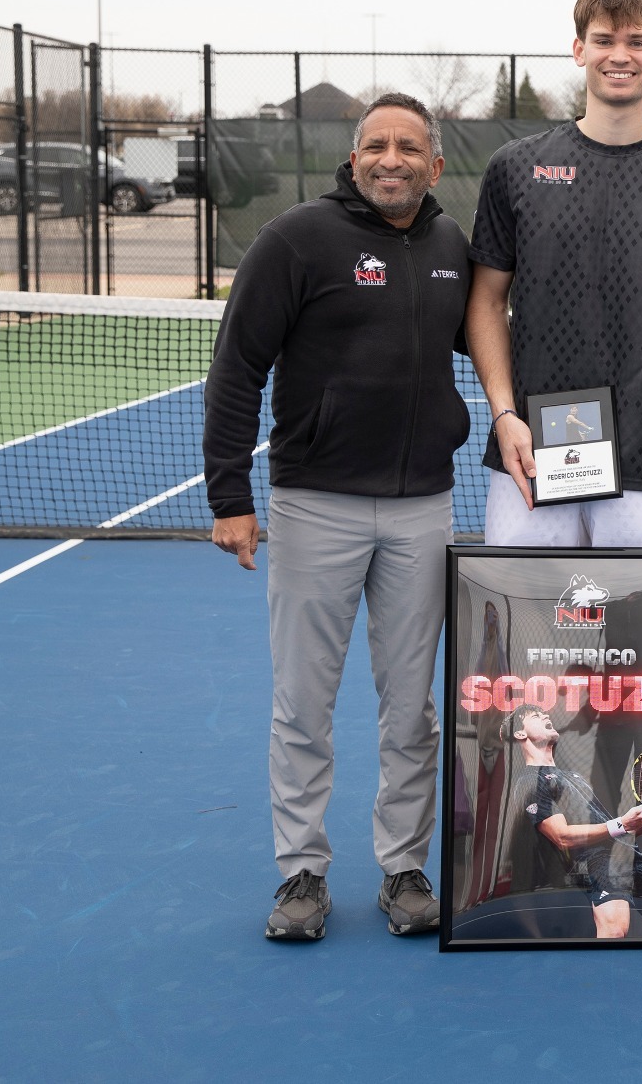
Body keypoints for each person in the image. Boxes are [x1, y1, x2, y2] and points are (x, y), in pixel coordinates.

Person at [203, 92, 472, 941]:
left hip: (424, 507)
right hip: (314, 505)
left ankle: (404, 866)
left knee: (411, 709)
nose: (391, 159)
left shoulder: (450, 247)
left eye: (409, 148)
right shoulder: (297, 239)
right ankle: (302, 874)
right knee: (303, 705)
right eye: (376, 146)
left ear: (434, 166)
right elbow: (237, 368)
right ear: (354, 159)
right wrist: (229, 498)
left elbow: (498, 343)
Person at [467, 0, 642, 550]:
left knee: (636, 639)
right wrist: (504, 415)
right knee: (524, 633)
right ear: (579, 49)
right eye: (604, 38)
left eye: (637, 41)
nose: (620, 55)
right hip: (530, 457)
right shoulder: (516, 168)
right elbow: (486, 301)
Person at [504, 704, 642, 940]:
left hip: (628, 857)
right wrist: (623, 824)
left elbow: (607, 829)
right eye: (535, 716)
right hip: (598, 863)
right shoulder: (530, 781)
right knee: (614, 933)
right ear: (520, 734)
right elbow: (561, 836)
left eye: (545, 713)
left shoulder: (573, 777)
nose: (545, 715)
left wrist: (641, 825)